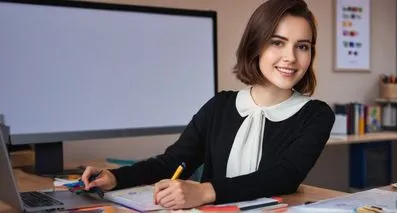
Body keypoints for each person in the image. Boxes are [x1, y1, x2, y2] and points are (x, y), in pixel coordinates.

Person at [82, 0, 335, 209]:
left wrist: (204, 192)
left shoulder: (317, 115)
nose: (290, 57)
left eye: (302, 46)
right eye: (277, 42)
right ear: (256, 45)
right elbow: (173, 162)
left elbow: (284, 176)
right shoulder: (220, 106)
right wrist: (115, 177)